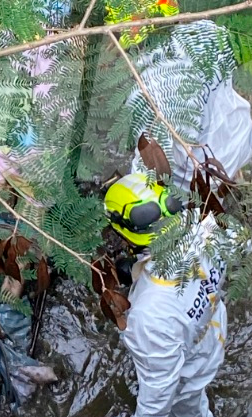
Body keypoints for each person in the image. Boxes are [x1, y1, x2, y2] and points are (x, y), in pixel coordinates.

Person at [103, 174, 242, 417]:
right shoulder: (207, 226)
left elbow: (157, 401)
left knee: (189, 407)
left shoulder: (147, 317)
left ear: (126, 235)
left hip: (190, 369)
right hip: (211, 329)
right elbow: (241, 243)